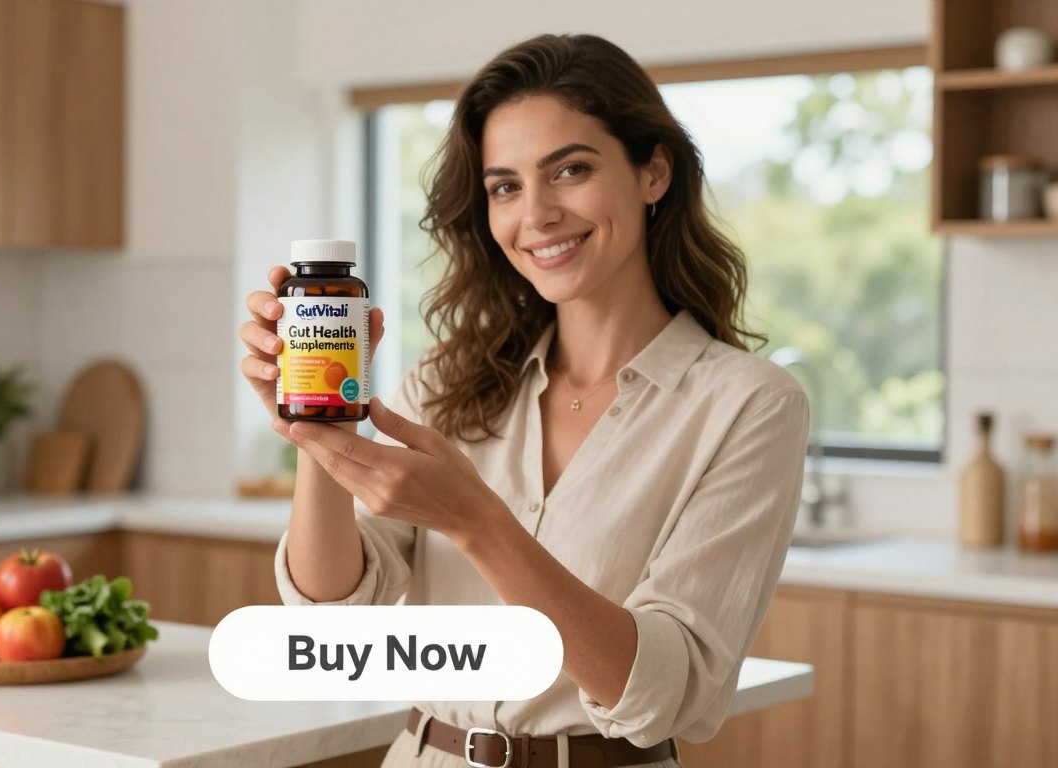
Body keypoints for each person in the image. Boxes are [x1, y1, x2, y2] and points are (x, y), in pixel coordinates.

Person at [239, 33, 809, 768]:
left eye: (570, 170)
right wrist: (316, 429)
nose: (535, 215)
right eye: (505, 186)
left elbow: (663, 692)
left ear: (653, 172)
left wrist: (478, 522)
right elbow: (334, 612)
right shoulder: (445, 382)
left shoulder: (748, 406)